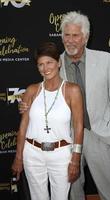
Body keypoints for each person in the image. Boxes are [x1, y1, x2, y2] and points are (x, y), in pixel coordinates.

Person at [19, 11, 110, 200]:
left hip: (99, 135)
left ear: (85, 37)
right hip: (67, 140)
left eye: (75, 35)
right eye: (66, 35)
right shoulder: (54, 62)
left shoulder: (105, 60)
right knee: (73, 193)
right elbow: (45, 96)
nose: (70, 40)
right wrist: (26, 106)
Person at [12, 41, 84, 200]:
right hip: (32, 154)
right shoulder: (31, 90)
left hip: (61, 156)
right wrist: (18, 157)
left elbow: (78, 126)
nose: (45, 68)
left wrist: (76, 159)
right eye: (40, 65)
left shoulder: (72, 90)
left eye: (49, 62)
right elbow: (23, 127)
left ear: (59, 63)